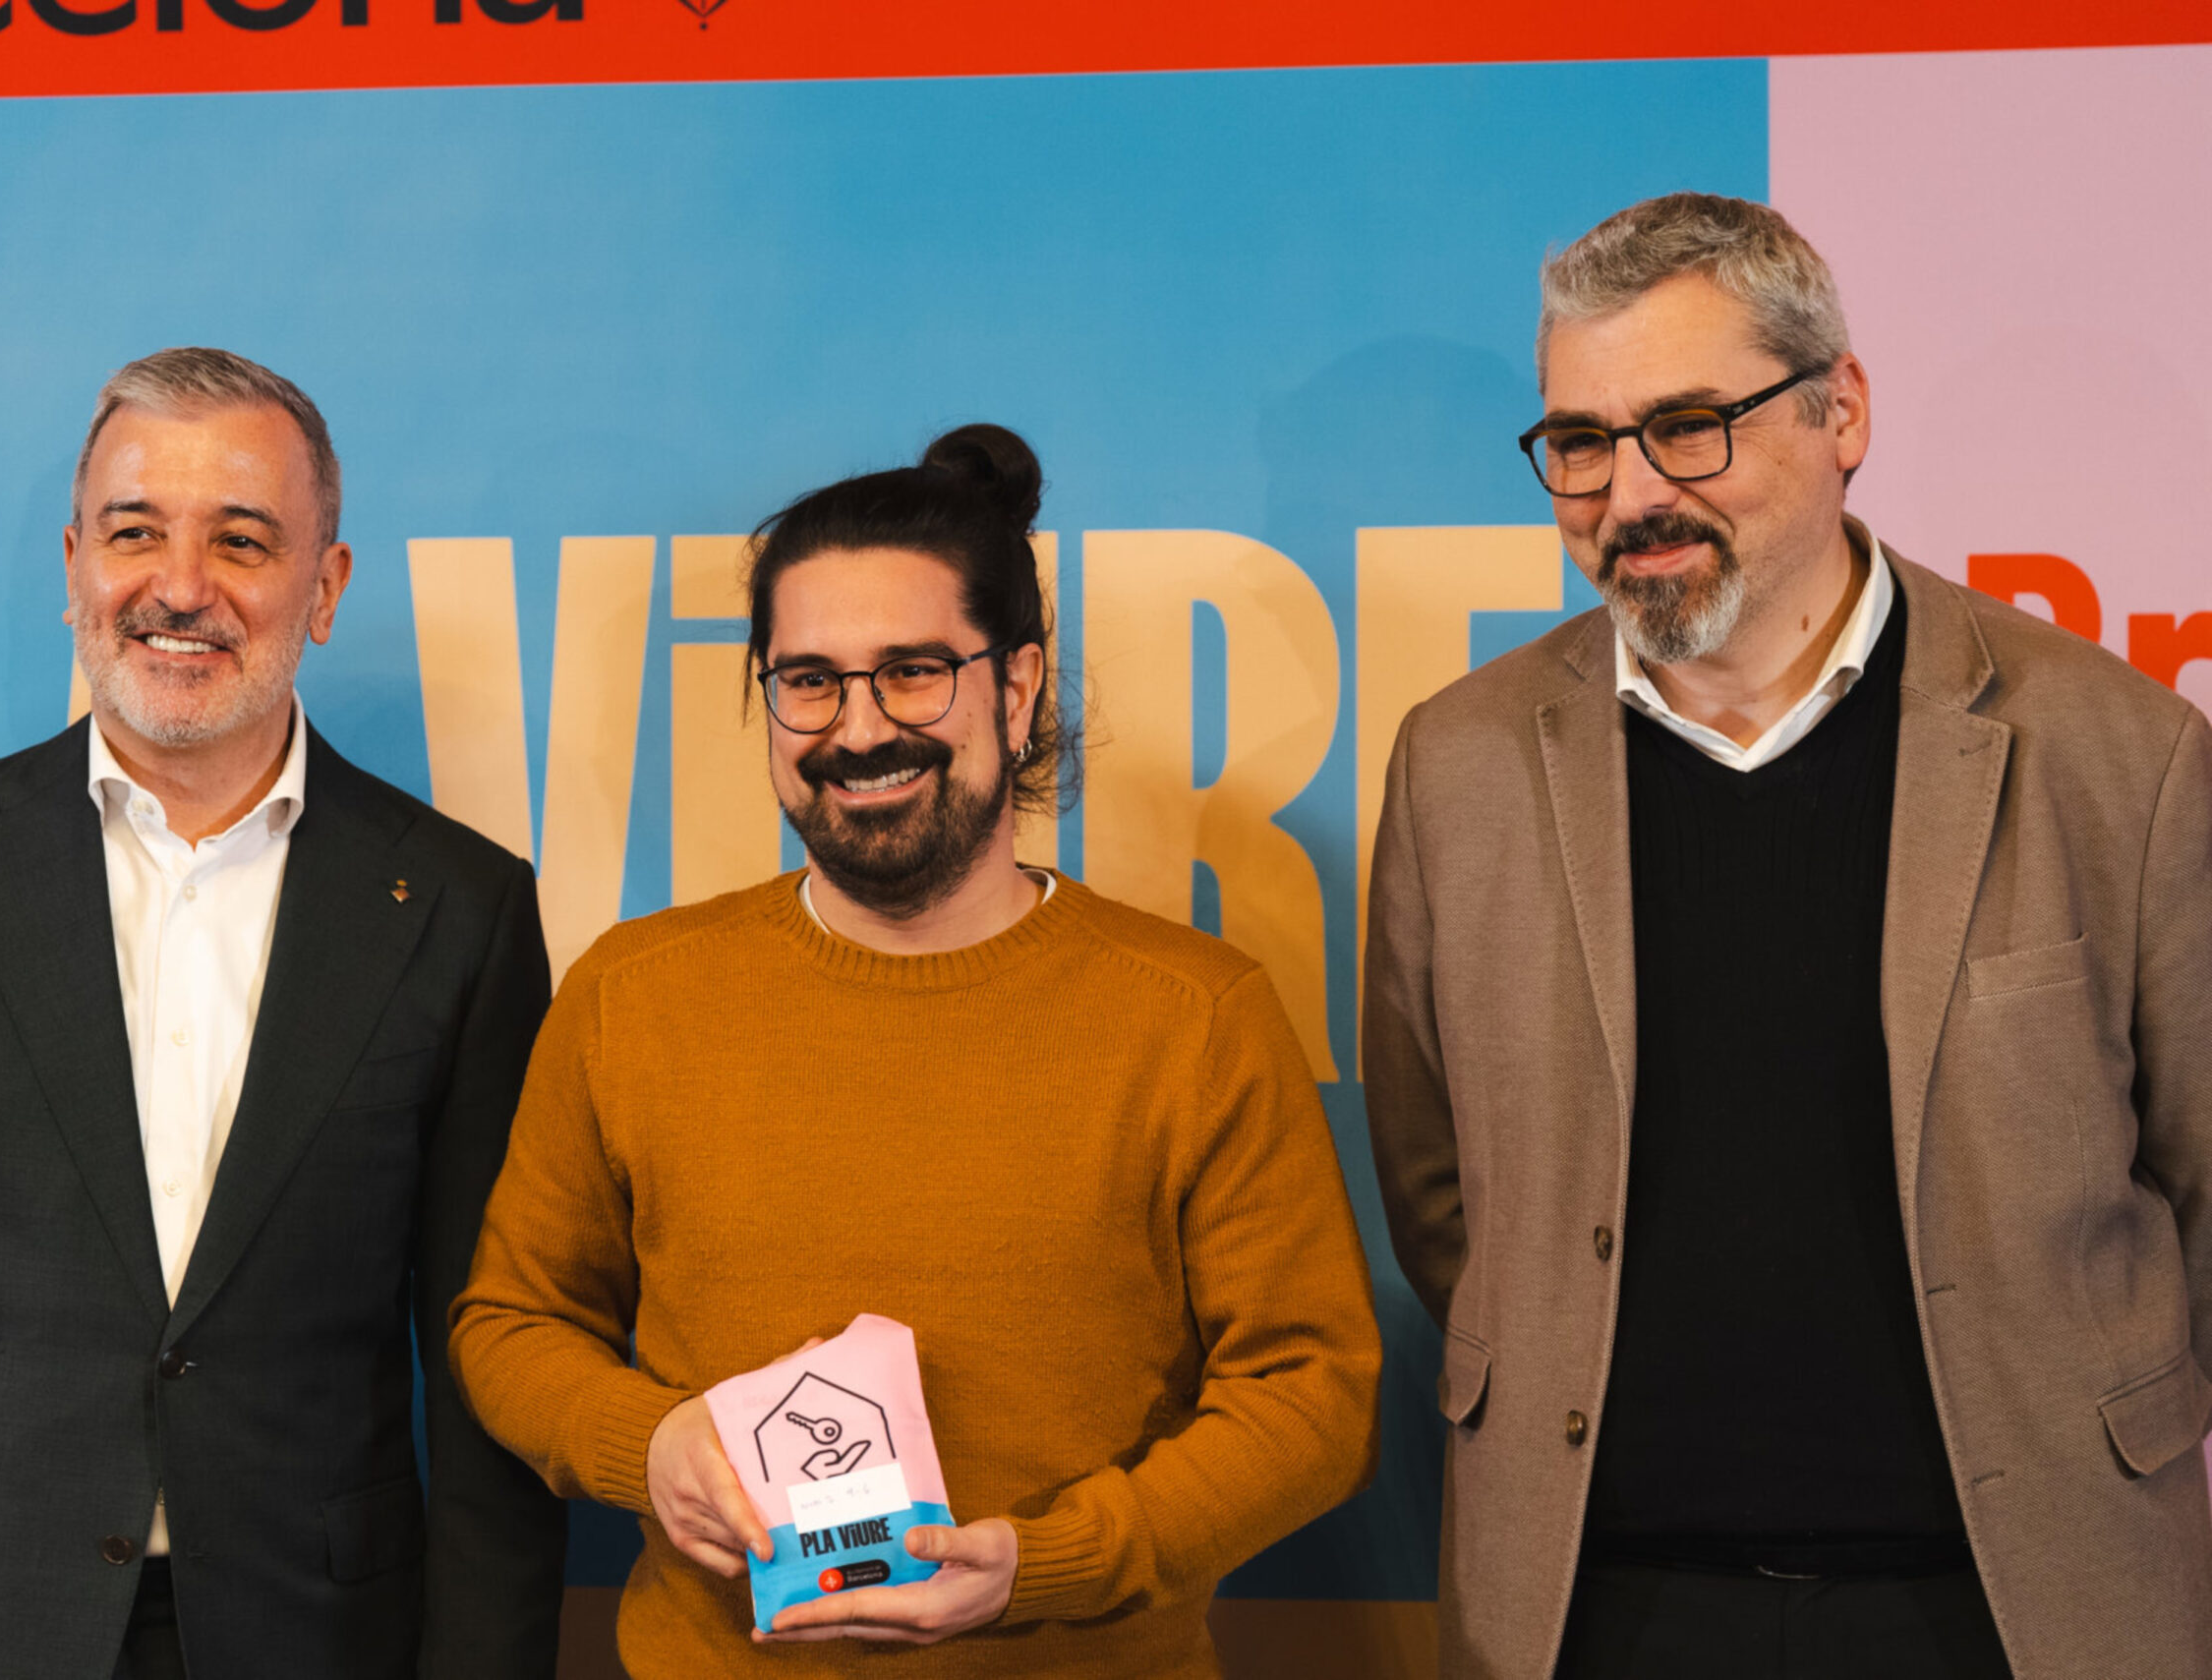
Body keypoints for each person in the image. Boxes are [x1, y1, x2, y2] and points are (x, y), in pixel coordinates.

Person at [1362, 190, 2212, 1679]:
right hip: (1596, 1605)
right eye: (1581, 442)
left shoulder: (2118, 753)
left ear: (1842, 412)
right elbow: (1444, 1197)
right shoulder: (1459, 765)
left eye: (1690, 426)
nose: (1632, 494)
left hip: (2015, 1604)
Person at [450, 423, 1383, 1676]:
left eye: (912, 672)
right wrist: (650, 1441)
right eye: (809, 679)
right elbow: (512, 1320)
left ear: (1017, 686)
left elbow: (1313, 1395)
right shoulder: (633, 991)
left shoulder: (1194, 1014)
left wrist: (1050, 1559)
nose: (858, 728)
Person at [0, 348, 566, 1680]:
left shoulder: (461, 907)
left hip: (312, 1634)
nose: (179, 586)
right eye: (132, 532)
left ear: (325, 587)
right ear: (73, 566)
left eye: (242, 539)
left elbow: (488, 1363)